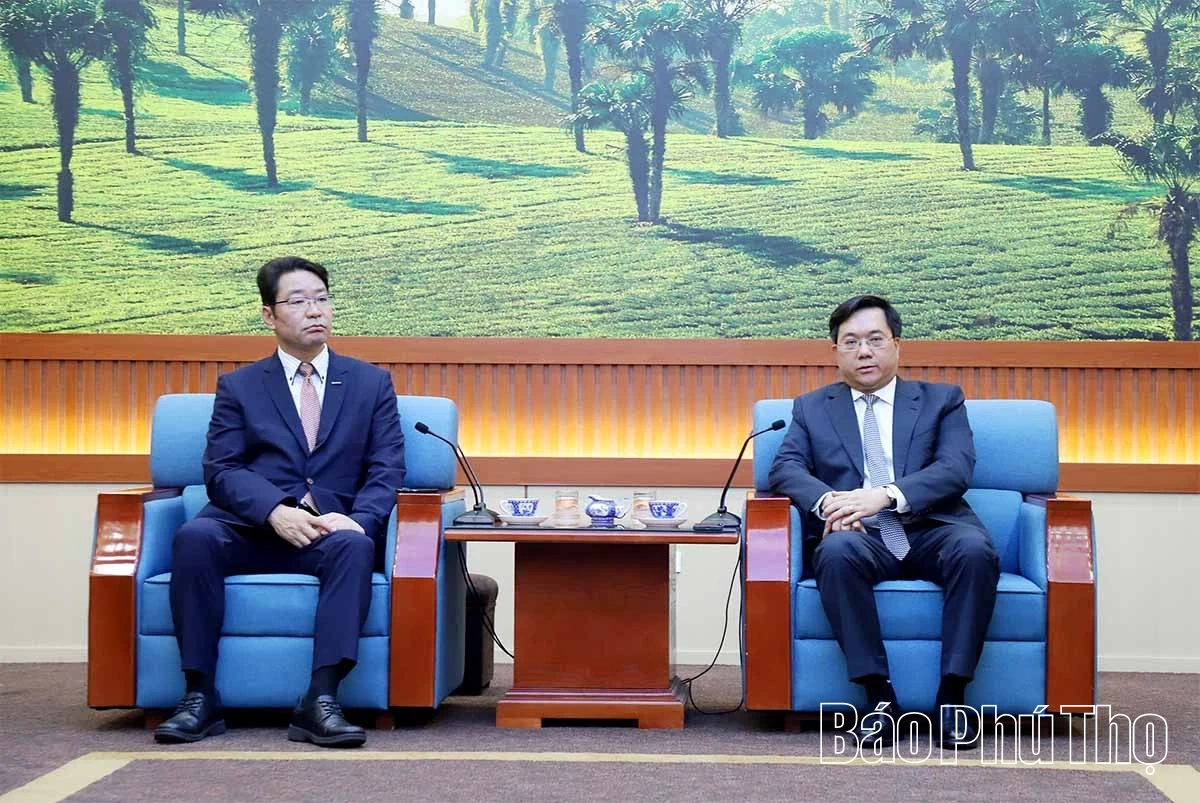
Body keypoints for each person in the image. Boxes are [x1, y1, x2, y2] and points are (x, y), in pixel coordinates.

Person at [154, 256, 405, 748]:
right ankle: (199, 696)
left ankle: (321, 700)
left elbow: (387, 467)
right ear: (268, 315)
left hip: (328, 530)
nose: (314, 311)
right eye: (298, 301)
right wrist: (274, 511)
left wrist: (359, 520)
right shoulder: (240, 386)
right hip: (250, 527)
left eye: (322, 299)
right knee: (194, 537)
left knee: (355, 546)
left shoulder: (371, 383)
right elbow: (221, 469)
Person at [767, 295, 998, 750]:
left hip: (931, 527)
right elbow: (786, 468)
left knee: (974, 549)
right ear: (835, 352)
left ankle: (953, 697)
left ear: (896, 345)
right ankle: (879, 699)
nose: (864, 351)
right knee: (834, 552)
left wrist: (884, 495)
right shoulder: (811, 408)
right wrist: (831, 504)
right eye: (851, 342)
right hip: (860, 537)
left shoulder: (941, 400)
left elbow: (956, 468)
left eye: (875, 339)